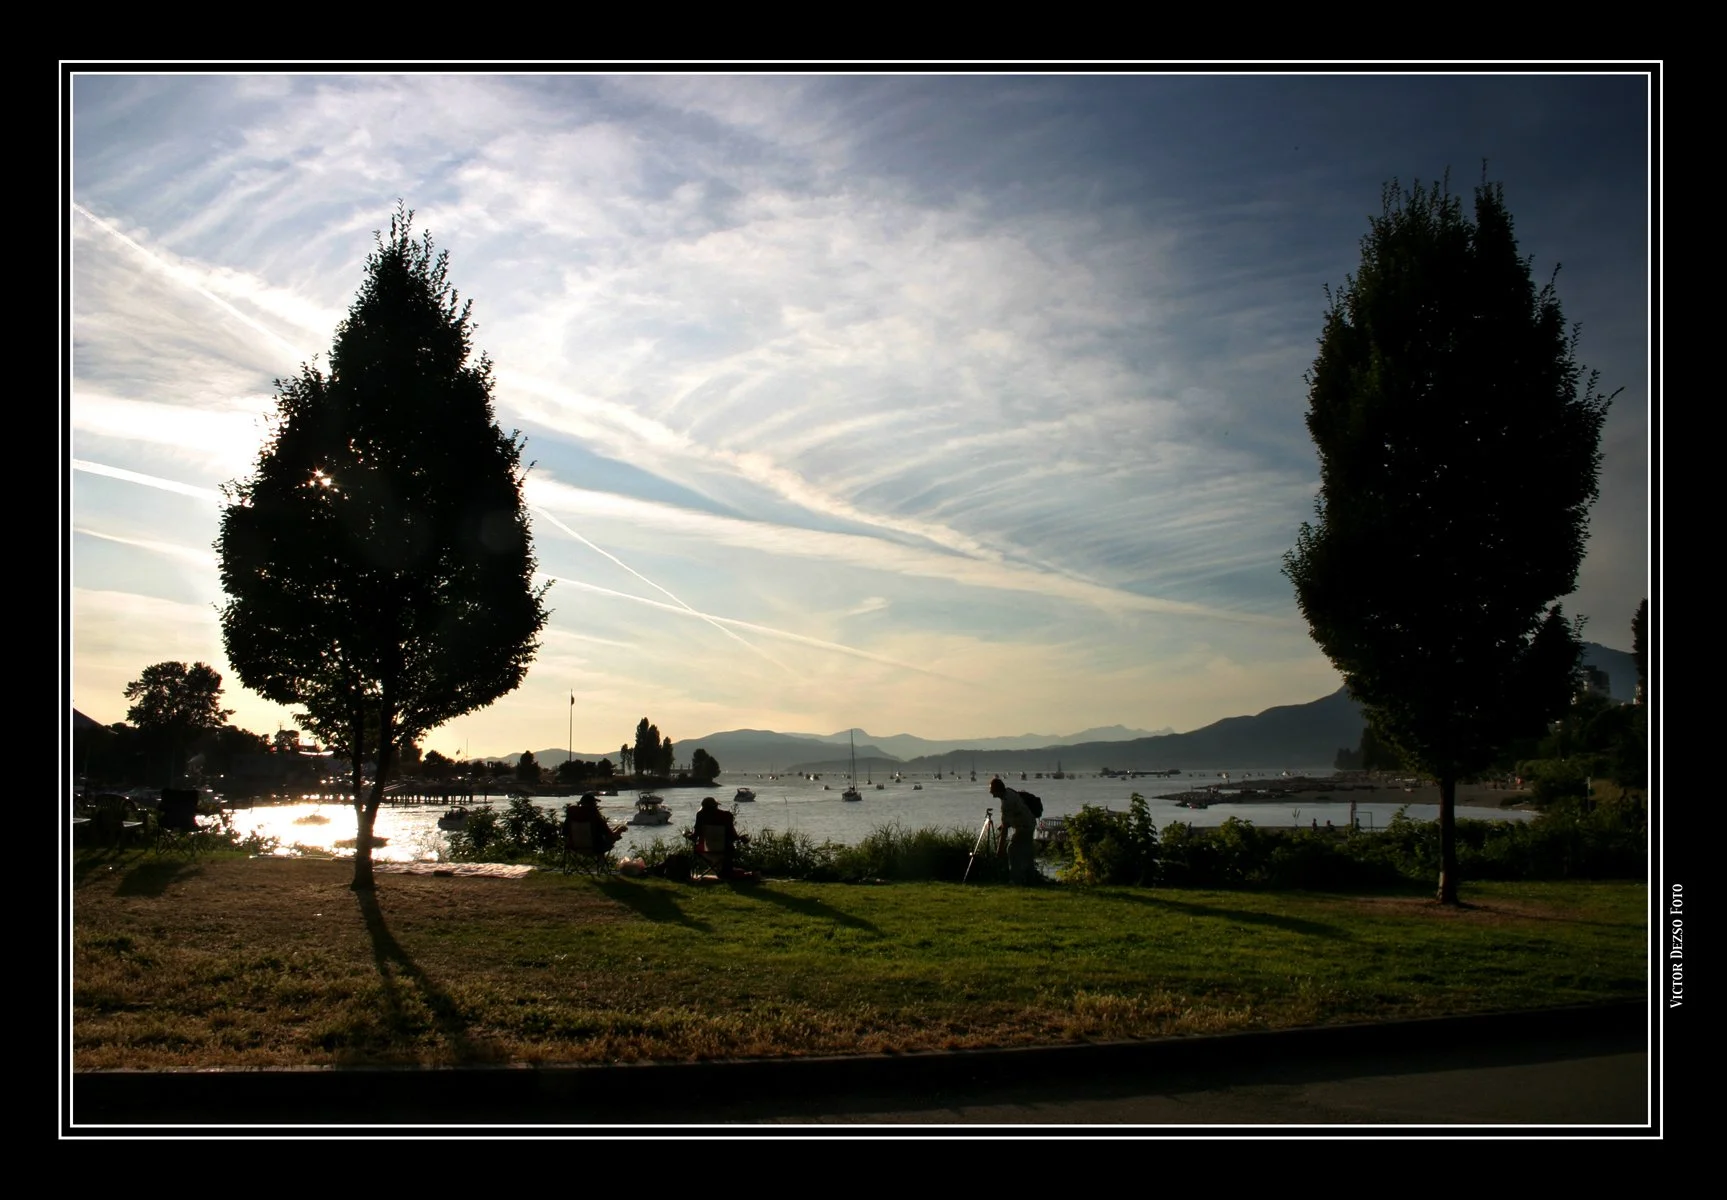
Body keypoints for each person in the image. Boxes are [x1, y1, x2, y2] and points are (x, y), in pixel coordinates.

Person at [988, 776, 1036, 885]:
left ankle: (1015, 880)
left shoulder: (1006, 801)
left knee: (1012, 849)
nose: (990, 792)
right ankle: (1031, 879)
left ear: (996, 789)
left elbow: (1005, 829)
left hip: (1024, 827)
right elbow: (1011, 816)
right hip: (1029, 824)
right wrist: (1004, 825)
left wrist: (999, 849)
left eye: (991, 789)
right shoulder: (1008, 793)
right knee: (1027, 853)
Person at [694, 795, 751, 877]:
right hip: (725, 850)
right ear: (716, 805)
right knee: (729, 848)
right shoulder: (727, 816)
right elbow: (733, 836)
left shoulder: (700, 816)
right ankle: (726, 871)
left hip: (704, 850)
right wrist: (742, 838)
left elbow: (695, 835)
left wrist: (686, 834)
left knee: (698, 846)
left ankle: (723, 871)